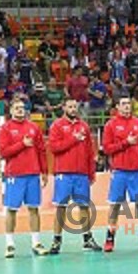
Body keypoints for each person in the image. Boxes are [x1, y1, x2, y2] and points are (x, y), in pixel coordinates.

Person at [47, 98, 101, 254]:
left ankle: (87, 239)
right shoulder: (57, 126)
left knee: (84, 207)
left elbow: (90, 152)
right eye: (69, 106)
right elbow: (54, 147)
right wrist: (73, 139)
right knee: (61, 207)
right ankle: (56, 240)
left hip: (81, 174)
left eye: (74, 106)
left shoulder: (84, 126)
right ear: (64, 107)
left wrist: (91, 173)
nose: (72, 109)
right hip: (64, 173)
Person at [0, 99, 49, 258]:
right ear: (11, 110)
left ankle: (36, 243)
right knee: (11, 210)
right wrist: (22, 144)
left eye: (22, 108)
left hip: (33, 175)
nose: (20, 110)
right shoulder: (5, 128)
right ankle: (10, 245)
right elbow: (3, 152)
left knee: (34, 209)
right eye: (17, 108)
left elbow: (41, 150)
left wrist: (44, 171)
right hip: (14, 176)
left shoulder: (33, 127)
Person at [102, 96, 138, 252]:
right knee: (115, 205)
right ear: (117, 107)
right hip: (120, 171)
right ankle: (109, 238)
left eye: (129, 104)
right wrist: (126, 143)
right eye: (123, 104)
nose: (127, 107)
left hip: (137, 171)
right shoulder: (110, 125)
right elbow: (107, 149)